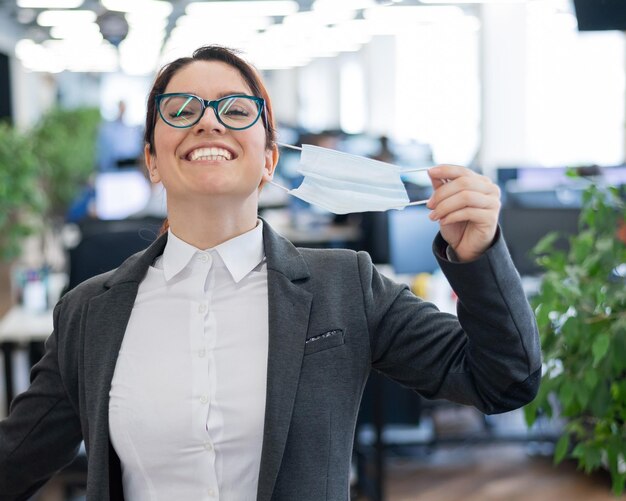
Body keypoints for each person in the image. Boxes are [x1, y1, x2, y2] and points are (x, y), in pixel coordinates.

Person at [0, 45, 541, 501]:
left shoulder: (344, 286)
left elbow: (503, 379)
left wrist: (480, 255)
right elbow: (13, 464)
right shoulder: (90, 313)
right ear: (152, 160)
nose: (208, 120)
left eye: (236, 111)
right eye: (181, 109)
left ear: (269, 159)